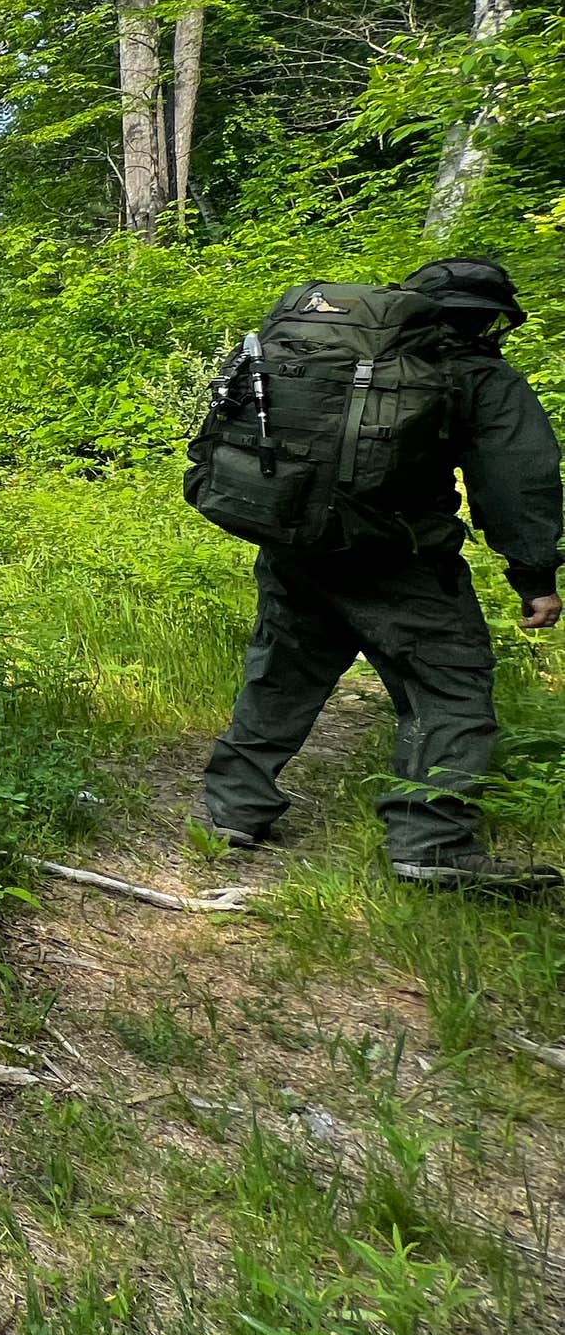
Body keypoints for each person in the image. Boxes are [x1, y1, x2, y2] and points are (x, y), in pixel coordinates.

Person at [198, 258, 564, 891]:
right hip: (401, 562)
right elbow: (516, 480)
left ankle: (233, 810)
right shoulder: (478, 375)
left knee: (282, 670)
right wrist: (534, 574)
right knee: (449, 689)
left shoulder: (334, 355)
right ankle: (434, 842)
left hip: (298, 543)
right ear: (490, 322)